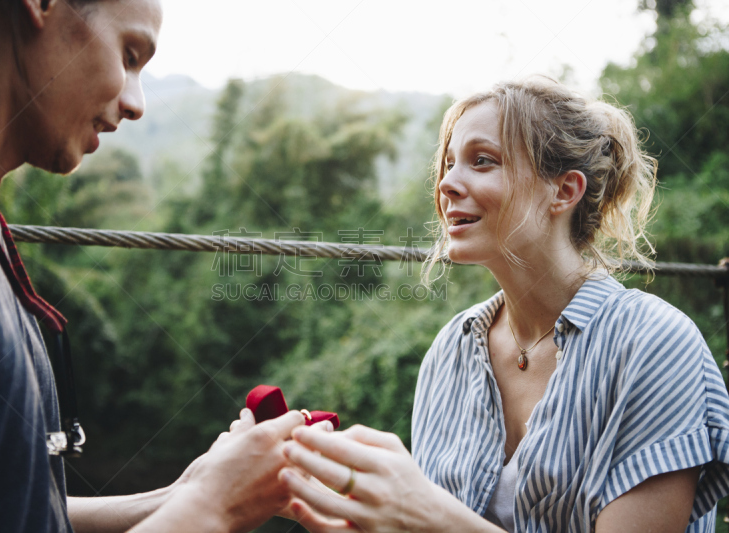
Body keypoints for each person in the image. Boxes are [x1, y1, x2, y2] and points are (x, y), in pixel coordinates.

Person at [279, 78, 729, 532]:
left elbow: (435, 522)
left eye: (483, 161)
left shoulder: (655, 344)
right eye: (449, 163)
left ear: (564, 191)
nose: (447, 184)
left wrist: (431, 515)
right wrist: (320, 496)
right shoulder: (450, 351)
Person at [0, 1, 307, 532]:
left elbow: (16, 505)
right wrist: (213, 509)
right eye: (129, 55)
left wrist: (186, 493)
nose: (136, 103)